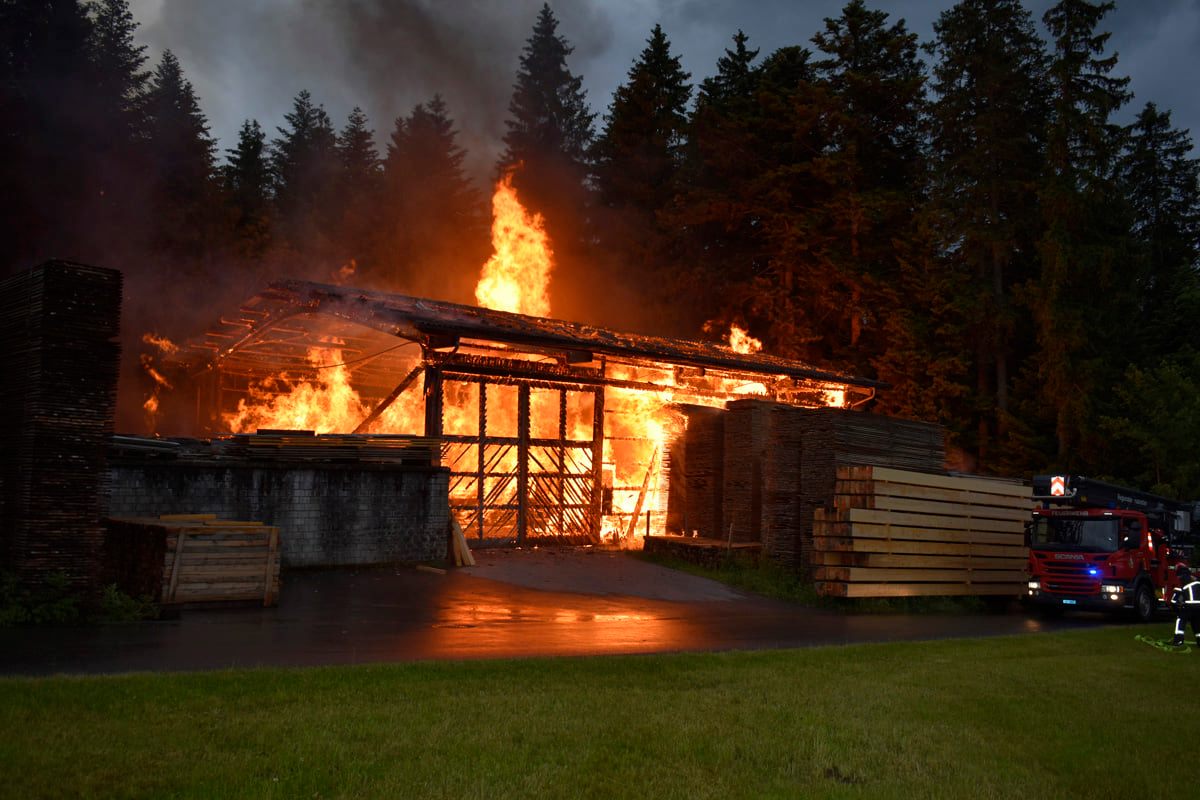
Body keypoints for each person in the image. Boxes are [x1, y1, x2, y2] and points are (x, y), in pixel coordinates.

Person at [1170, 565, 1200, 647]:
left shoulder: (1182, 584)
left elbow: (1173, 601)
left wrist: (1177, 609)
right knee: (1197, 624)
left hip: (1188, 607)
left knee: (1181, 621)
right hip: (1198, 608)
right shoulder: (1198, 582)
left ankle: (1178, 640)